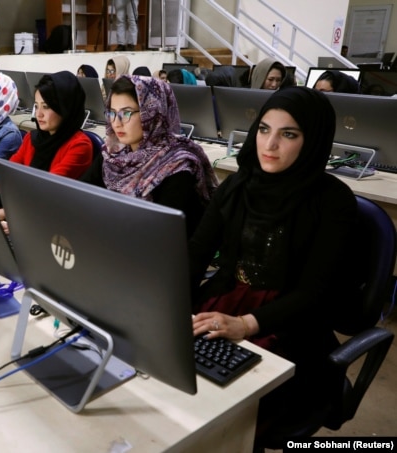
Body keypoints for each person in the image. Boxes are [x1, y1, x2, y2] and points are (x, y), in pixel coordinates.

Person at [189, 86, 358, 446]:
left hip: (290, 322)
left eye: (289, 134)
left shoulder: (332, 202)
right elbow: (196, 254)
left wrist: (247, 324)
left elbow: (315, 292)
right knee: (173, 375)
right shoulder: (237, 185)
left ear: (312, 141)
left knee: (230, 406)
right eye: (264, 129)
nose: (270, 145)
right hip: (225, 301)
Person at [80, 75, 217, 237]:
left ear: (152, 113)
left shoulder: (177, 166)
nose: (116, 122)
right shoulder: (113, 154)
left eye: (126, 113)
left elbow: (159, 234)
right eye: (112, 113)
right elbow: (80, 196)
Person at [0, 71, 94, 217]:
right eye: (37, 106)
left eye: (46, 107)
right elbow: (7, 176)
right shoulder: (32, 138)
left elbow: (47, 191)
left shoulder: (80, 146)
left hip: (51, 218)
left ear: (65, 107)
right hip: (25, 209)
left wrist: (5, 213)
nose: (39, 114)